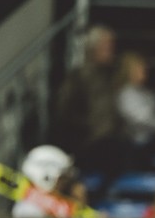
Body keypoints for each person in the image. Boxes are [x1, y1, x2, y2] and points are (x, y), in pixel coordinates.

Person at [50, 25, 126, 188]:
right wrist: (87, 129)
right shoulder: (79, 77)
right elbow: (64, 111)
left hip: (109, 140)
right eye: (107, 47)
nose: (112, 52)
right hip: (89, 144)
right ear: (93, 49)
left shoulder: (111, 76)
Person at [12, 145, 89, 218]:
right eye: (63, 178)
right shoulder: (29, 211)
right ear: (47, 179)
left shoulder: (57, 209)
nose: (68, 184)